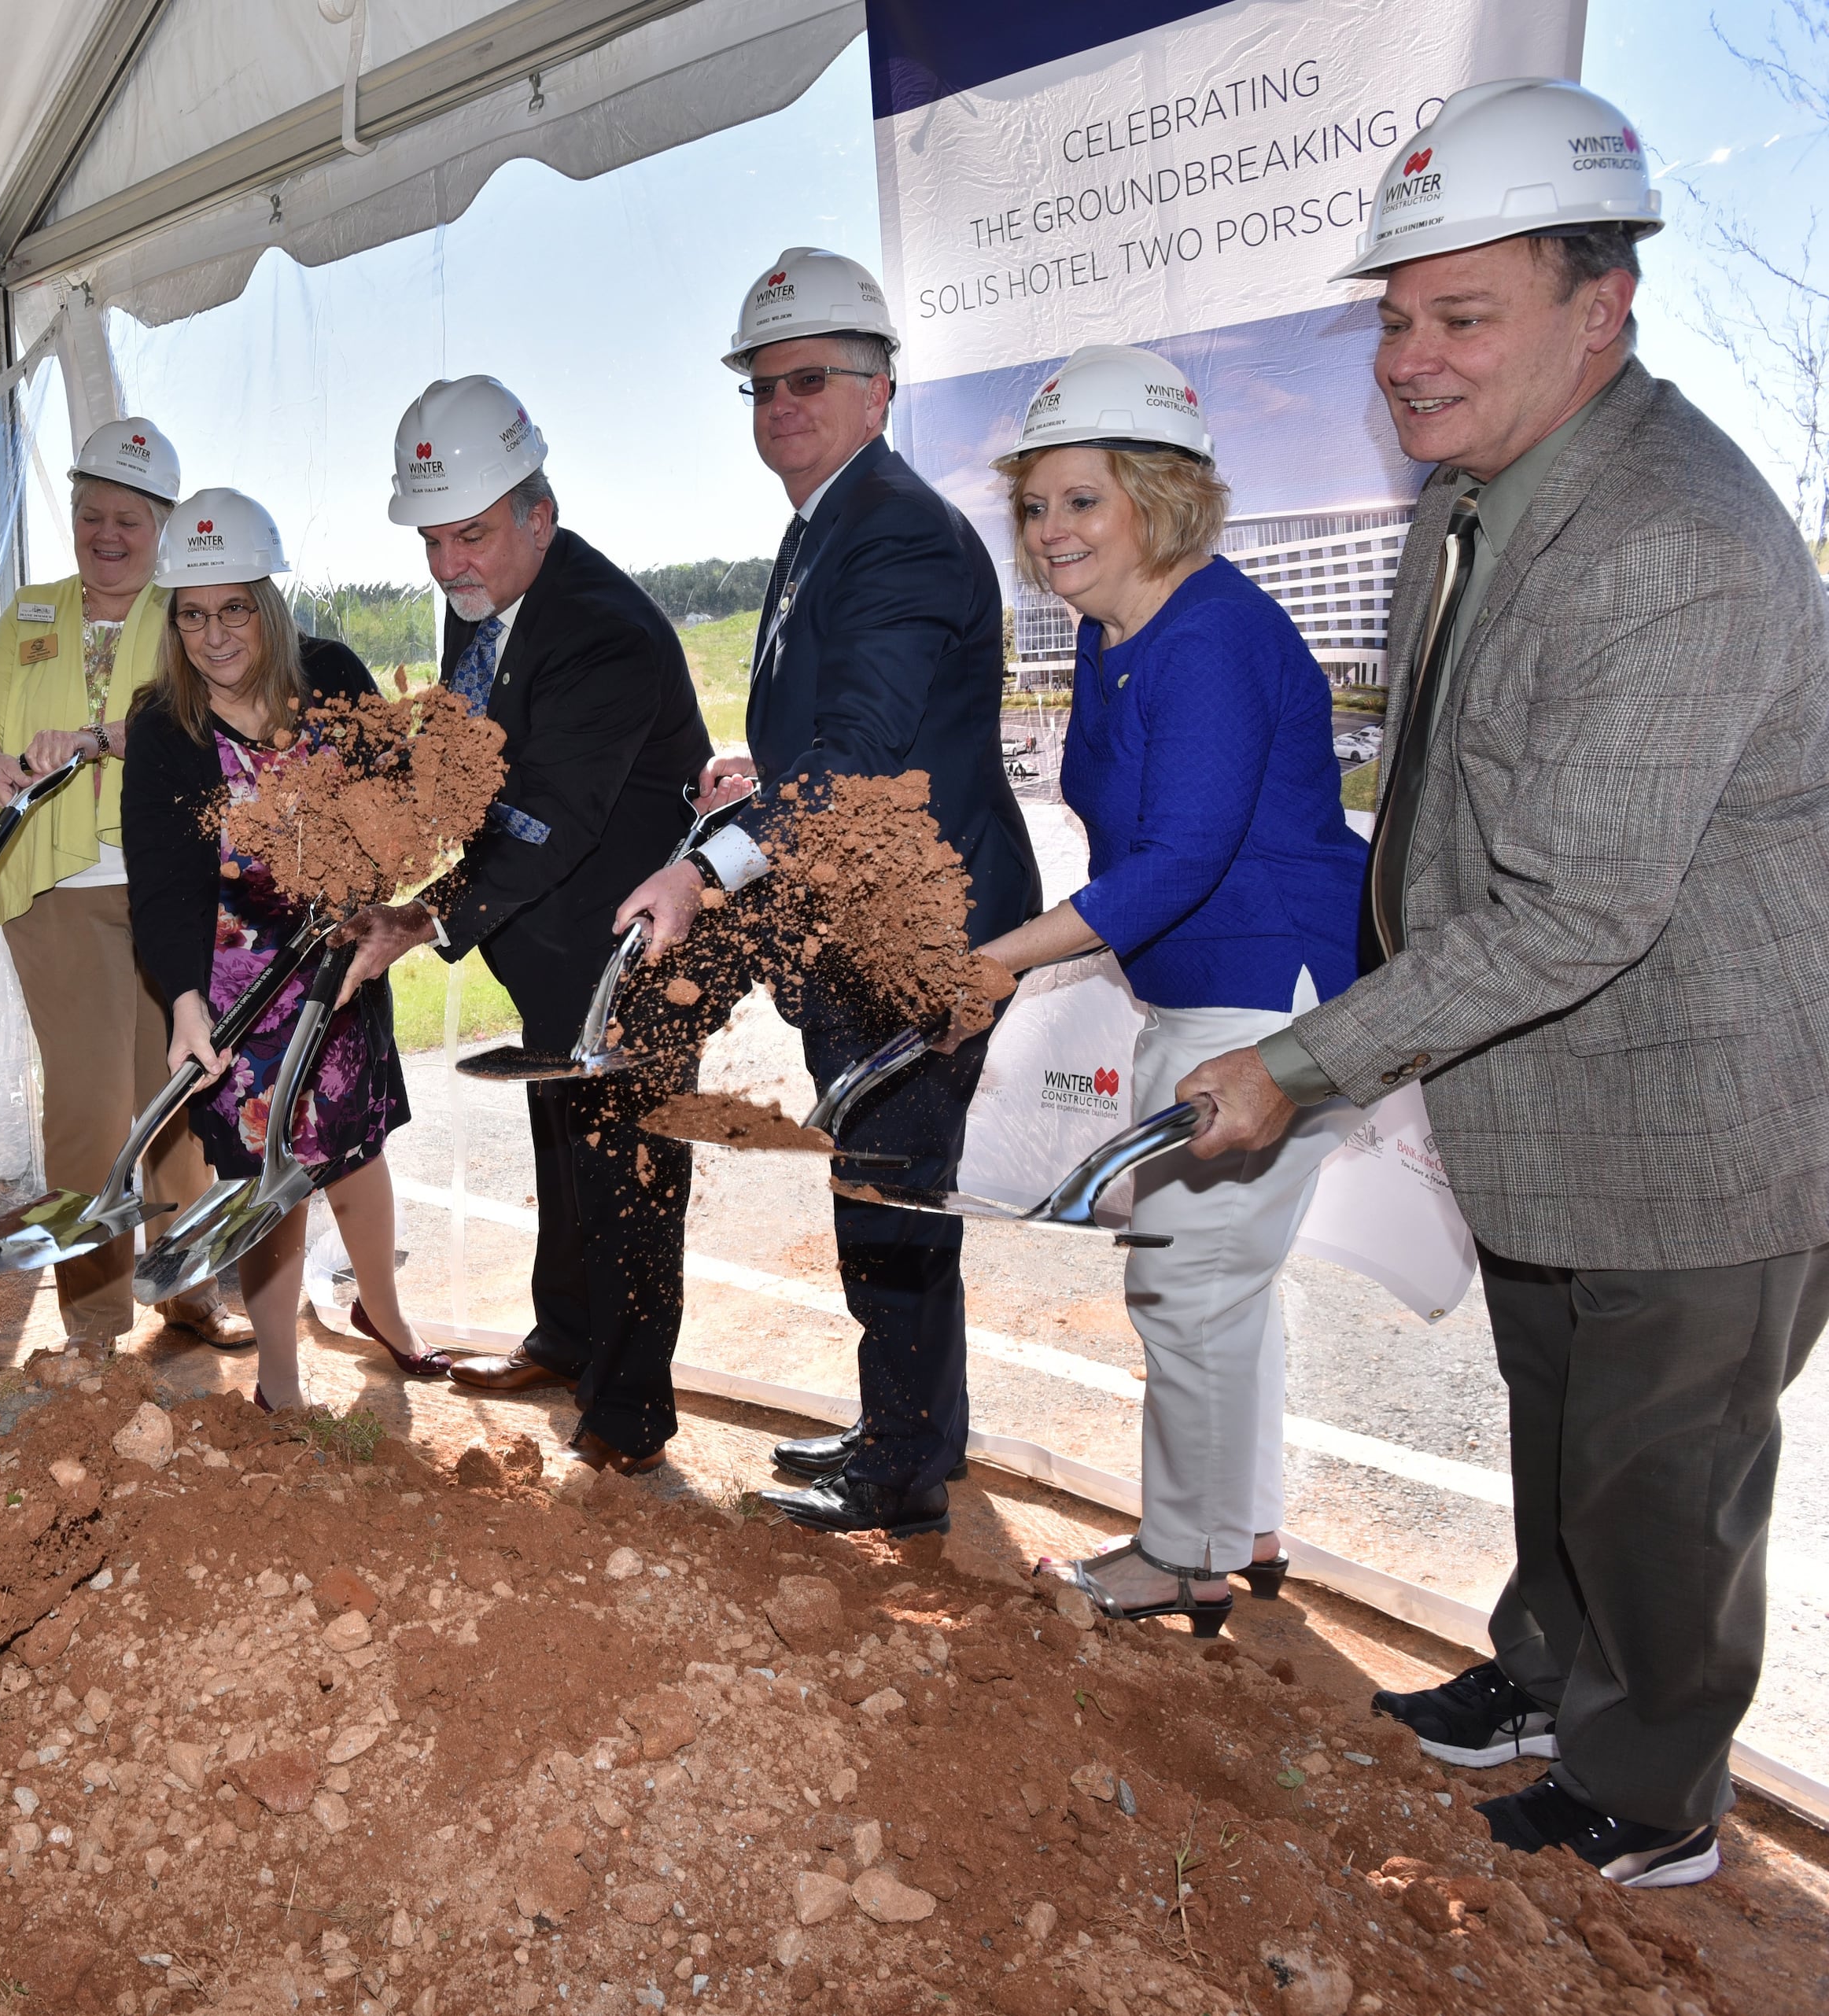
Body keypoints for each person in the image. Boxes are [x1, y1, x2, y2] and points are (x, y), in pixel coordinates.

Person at [1176, 80, 1828, 1887]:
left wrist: (1305, 1063)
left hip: (1700, 1116)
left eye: (1458, 316)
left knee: (1659, 1473)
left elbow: (1569, 912)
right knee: (1563, 1425)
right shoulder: (1476, 496)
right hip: (1553, 1095)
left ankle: (1647, 1791)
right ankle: (1546, 1673)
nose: (1408, 358)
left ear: (1596, 307)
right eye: (1395, 316)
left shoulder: (1668, 541)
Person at [616, 249, 1038, 1535]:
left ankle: (903, 1476)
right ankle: (908, 1431)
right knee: (880, 1183)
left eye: (807, 380)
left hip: (920, 935)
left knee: (889, 1190)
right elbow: (846, 743)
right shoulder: (830, 525)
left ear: (880, 391)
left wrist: (706, 864)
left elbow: (860, 763)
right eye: (759, 386)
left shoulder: (897, 530)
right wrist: (765, 774)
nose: (779, 406)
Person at [958, 346, 1368, 1626]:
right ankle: (1236, 1527)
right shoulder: (1114, 631)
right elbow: (1139, 849)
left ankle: (1183, 1553)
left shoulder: (1210, 638)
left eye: (1084, 498)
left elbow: (1184, 859)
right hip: (1198, 994)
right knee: (1219, 1280)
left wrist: (999, 962)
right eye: (1036, 502)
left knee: (1185, 1279)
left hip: (1269, 996)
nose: (1053, 528)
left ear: (1160, 493)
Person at [345, 376, 717, 1473]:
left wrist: (422, 916)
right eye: (432, 540)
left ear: (536, 515)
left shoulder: (598, 631)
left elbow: (550, 815)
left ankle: (628, 1416)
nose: (448, 563)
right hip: (559, 954)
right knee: (567, 1152)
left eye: (469, 536)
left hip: (635, 951)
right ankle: (564, 1340)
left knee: (633, 1172)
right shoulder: (491, 606)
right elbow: (461, 763)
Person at [121, 488, 448, 1406]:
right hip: (234, 997)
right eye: (192, 614)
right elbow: (162, 883)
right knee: (265, 1179)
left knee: (356, 1150)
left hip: (337, 968)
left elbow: (398, 814)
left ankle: (383, 1310)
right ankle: (279, 1379)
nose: (214, 633)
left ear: (265, 603)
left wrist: (371, 889)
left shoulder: (335, 677)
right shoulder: (163, 729)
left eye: (232, 609)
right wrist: (184, 999)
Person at [0, 416, 238, 1347]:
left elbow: (218, 722)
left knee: (183, 1095)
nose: (108, 537)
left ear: (164, 527)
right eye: (90, 517)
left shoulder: (195, 611)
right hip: (58, 886)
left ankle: (188, 1290)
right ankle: (96, 1322)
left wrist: (110, 739)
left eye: (130, 521)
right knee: (89, 1105)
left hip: (175, 878)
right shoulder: (33, 611)